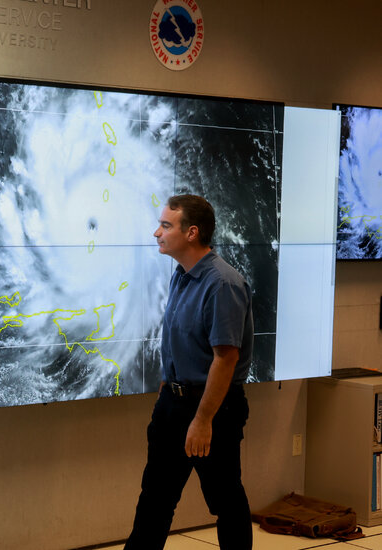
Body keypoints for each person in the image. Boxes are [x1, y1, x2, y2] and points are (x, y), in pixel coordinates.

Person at [125, 194, 254, 550]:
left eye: (166, 225)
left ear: (192, 233)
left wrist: (202, 420)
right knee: (154, 500)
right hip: (174, 405)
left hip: (212, 410)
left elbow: (224, 359)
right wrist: (169, 390)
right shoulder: (182, 276)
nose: (157, 232)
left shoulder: (223, 284)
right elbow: (181, 341)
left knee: (226, 502)